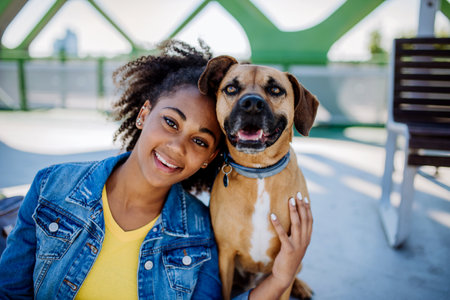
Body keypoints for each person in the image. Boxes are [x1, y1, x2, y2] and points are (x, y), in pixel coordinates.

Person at [0, 40, 313, 299]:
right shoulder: (50, 186)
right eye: (170, 122)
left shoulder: (200, 232)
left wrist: (281, 278)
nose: (177, 147)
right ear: (143, 113)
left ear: (211, 156)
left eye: (200, 141)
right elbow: (11, 291)